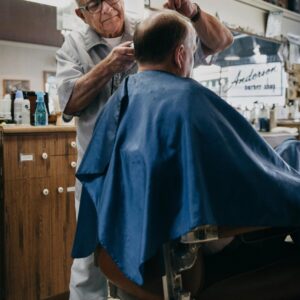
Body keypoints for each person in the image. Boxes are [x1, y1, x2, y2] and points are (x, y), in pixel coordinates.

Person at [72, 10, 300, 300]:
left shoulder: (119, 103)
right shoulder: (188, 98)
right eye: (193, 52)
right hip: (199, 258)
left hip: (137, 258)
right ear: (180, 56)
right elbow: (253, 175)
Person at [56, 0, 233, 299]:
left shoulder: (149, 27)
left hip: (150, 172)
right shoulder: (73, 46)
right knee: (90, 263)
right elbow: (69, 103)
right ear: (80, 13)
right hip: (100, 174)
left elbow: (220, 42)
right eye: (94, 4)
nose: (107, 8)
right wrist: (110, 65)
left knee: (139, 256)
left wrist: (194, 13)